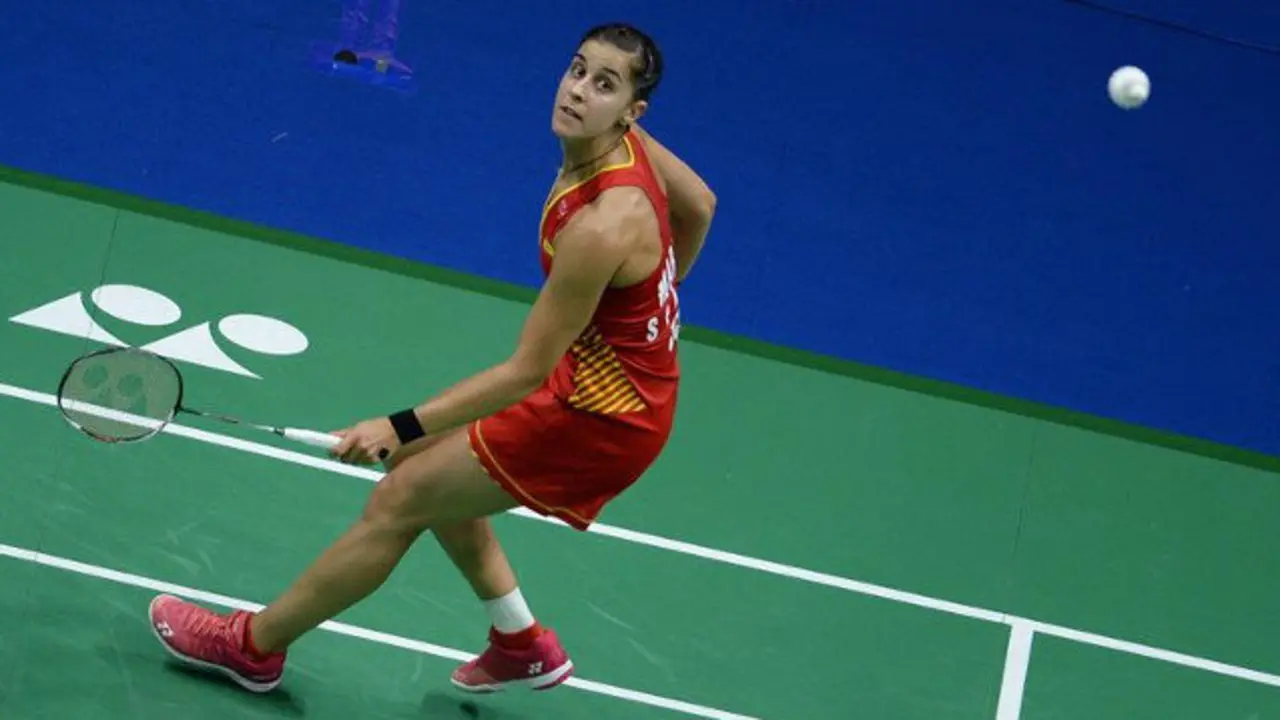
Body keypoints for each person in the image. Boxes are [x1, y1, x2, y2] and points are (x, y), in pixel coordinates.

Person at [146, 22, 717, 695]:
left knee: (400, 495)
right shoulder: (626, 145)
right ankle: (520, 643)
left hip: (601, 417)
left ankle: (252, 647)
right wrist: (650, 300)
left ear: (632, 109)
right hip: (612, 382)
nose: (578, 91)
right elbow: (700, 206)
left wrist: (396, 426)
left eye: (604, 84)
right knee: (433, 472)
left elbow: (523, 373)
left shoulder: (601, 225)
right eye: (577, 69)